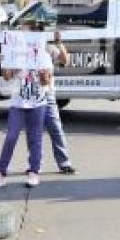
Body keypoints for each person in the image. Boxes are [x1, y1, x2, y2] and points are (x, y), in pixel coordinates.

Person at [0, 25, 54, 189]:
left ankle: (34, 171)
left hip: (38, 102)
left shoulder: (44, 52)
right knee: (11, 136)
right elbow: (7, 76)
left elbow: (47, 81)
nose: (22, 33)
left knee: (35, 138)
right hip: (18, 102)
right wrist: (7, 63)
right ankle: (1, 172)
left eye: (25, 30)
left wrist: (41, 69)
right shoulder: (14, 52)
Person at [36, 22, 76, 174]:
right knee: (35, 132)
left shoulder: (48, 48)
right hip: (31, 96)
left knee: (55, 128)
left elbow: (65, 60)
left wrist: (59, 43)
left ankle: (64, 162)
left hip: (47, 94)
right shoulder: (25, 50)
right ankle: (35, 164)